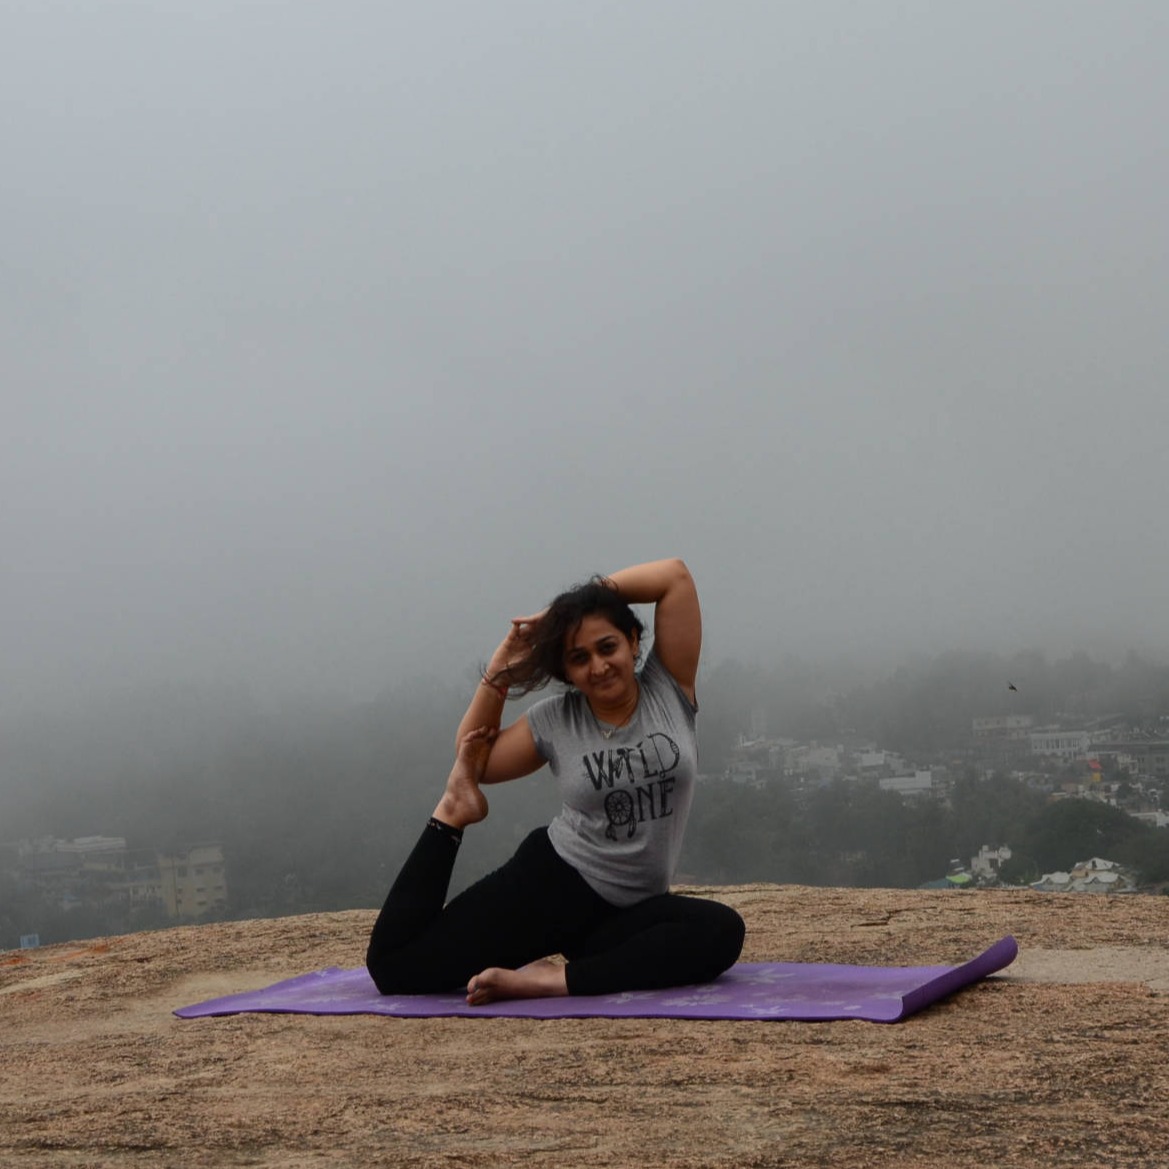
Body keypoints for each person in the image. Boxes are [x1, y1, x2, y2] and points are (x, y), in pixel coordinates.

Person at [365, 557, 745, 1004]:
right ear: (566, 672)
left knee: (722, 931)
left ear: (633, 641)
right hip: (555, 886)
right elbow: (476, 759)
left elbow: (674, 577)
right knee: (396, 968)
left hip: (628, 913)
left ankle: (551, 981)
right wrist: (499, 674)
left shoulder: (669, 690)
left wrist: (568, 609)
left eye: (608, 648)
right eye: (579, 658)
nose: (599, 666)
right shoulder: (556, 720)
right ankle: (451, 812)